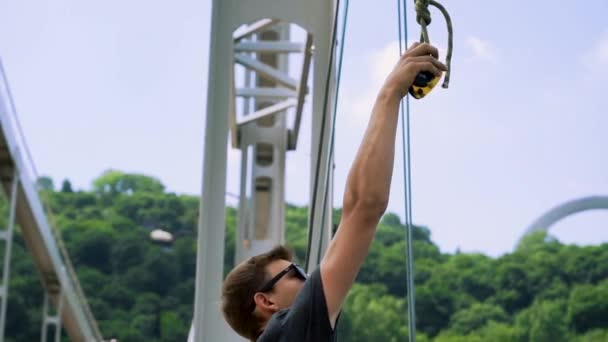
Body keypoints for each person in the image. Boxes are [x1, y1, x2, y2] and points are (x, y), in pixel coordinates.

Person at [221, 42, 447, 342]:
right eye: (297, 274)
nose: (309, 278)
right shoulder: (289, 331)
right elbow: (364, 207)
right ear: (266, 302)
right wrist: (389, 94)